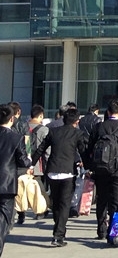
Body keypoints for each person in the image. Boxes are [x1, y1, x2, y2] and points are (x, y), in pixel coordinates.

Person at [30, 107, 87, 247]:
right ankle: (58, 236)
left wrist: (30, 165)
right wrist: (88, 166)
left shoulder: (53, 131)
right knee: (64, 205)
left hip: (52, 172)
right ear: (77, 121)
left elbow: (40, 149)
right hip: (68, 173)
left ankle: (59, 229)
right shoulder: (77, 133)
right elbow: (83, 152)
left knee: (56, 203)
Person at [86, 98, 118, 242]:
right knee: (116, 201)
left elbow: (90, 149)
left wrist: (89, 167)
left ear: (108, 112)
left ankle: (101, 230)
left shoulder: (98, 127)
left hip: (100, 169)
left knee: (101, 199)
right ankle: (113, 231)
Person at [0, 104, 33, 255]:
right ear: (12, 119)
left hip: (6, 183)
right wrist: (29, 161)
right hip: (7, 183)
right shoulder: (16, 137)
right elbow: (23, 161)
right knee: (4, 219)